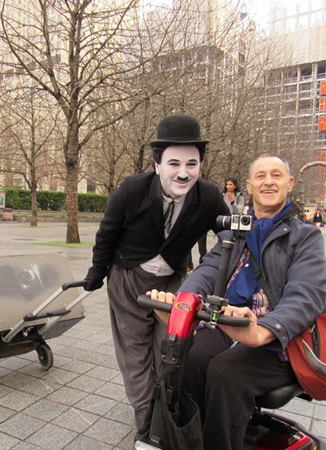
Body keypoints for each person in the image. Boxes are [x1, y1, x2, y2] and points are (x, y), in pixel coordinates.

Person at [148, 154, 326, 449]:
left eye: (276, 175)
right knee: (187, 357)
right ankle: (186, 441)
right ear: (249, 185)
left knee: (226, 372)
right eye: (260, 176)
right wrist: (184, 303)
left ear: (289, 183)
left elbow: (307, 293)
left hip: (281, 338)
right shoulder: (233, 233)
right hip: (228, 324)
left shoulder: (305, 237)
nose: (268, 181)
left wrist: (265, 329)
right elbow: (207, 272)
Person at [82, 115, 230, 441]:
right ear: (157, 163)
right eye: (173, 162)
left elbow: (231, 235)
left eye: (192, 163)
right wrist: (97, 270)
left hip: (172, 281)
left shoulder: (208, 196)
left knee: (174, 346)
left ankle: (167, 405)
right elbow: (107, 234)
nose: (183, 172)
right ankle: (147, 419)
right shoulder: (131, 190)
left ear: (201, 166)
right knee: (135, 351)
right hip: (129, 278)